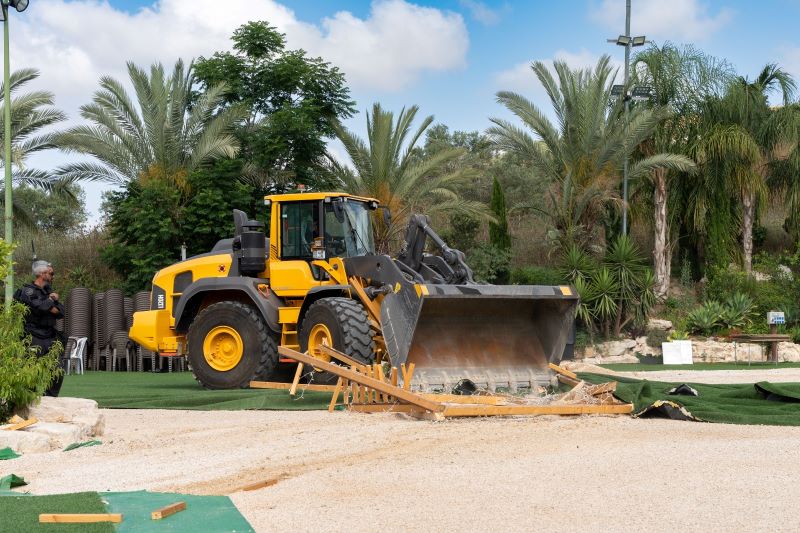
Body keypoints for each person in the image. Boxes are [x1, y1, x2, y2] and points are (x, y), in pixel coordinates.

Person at [14, 260, 66, 397]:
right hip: (33, 335)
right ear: (42, 274)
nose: (53, 276)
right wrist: (50, 301)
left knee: (58, 368)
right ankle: (29, 399)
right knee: (31, 369)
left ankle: (50, 398)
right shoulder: (28, 291)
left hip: (50, 335)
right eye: (51, 273)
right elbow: (40, 307)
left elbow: (60, 312)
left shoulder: (48, 291)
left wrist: (50, 303)